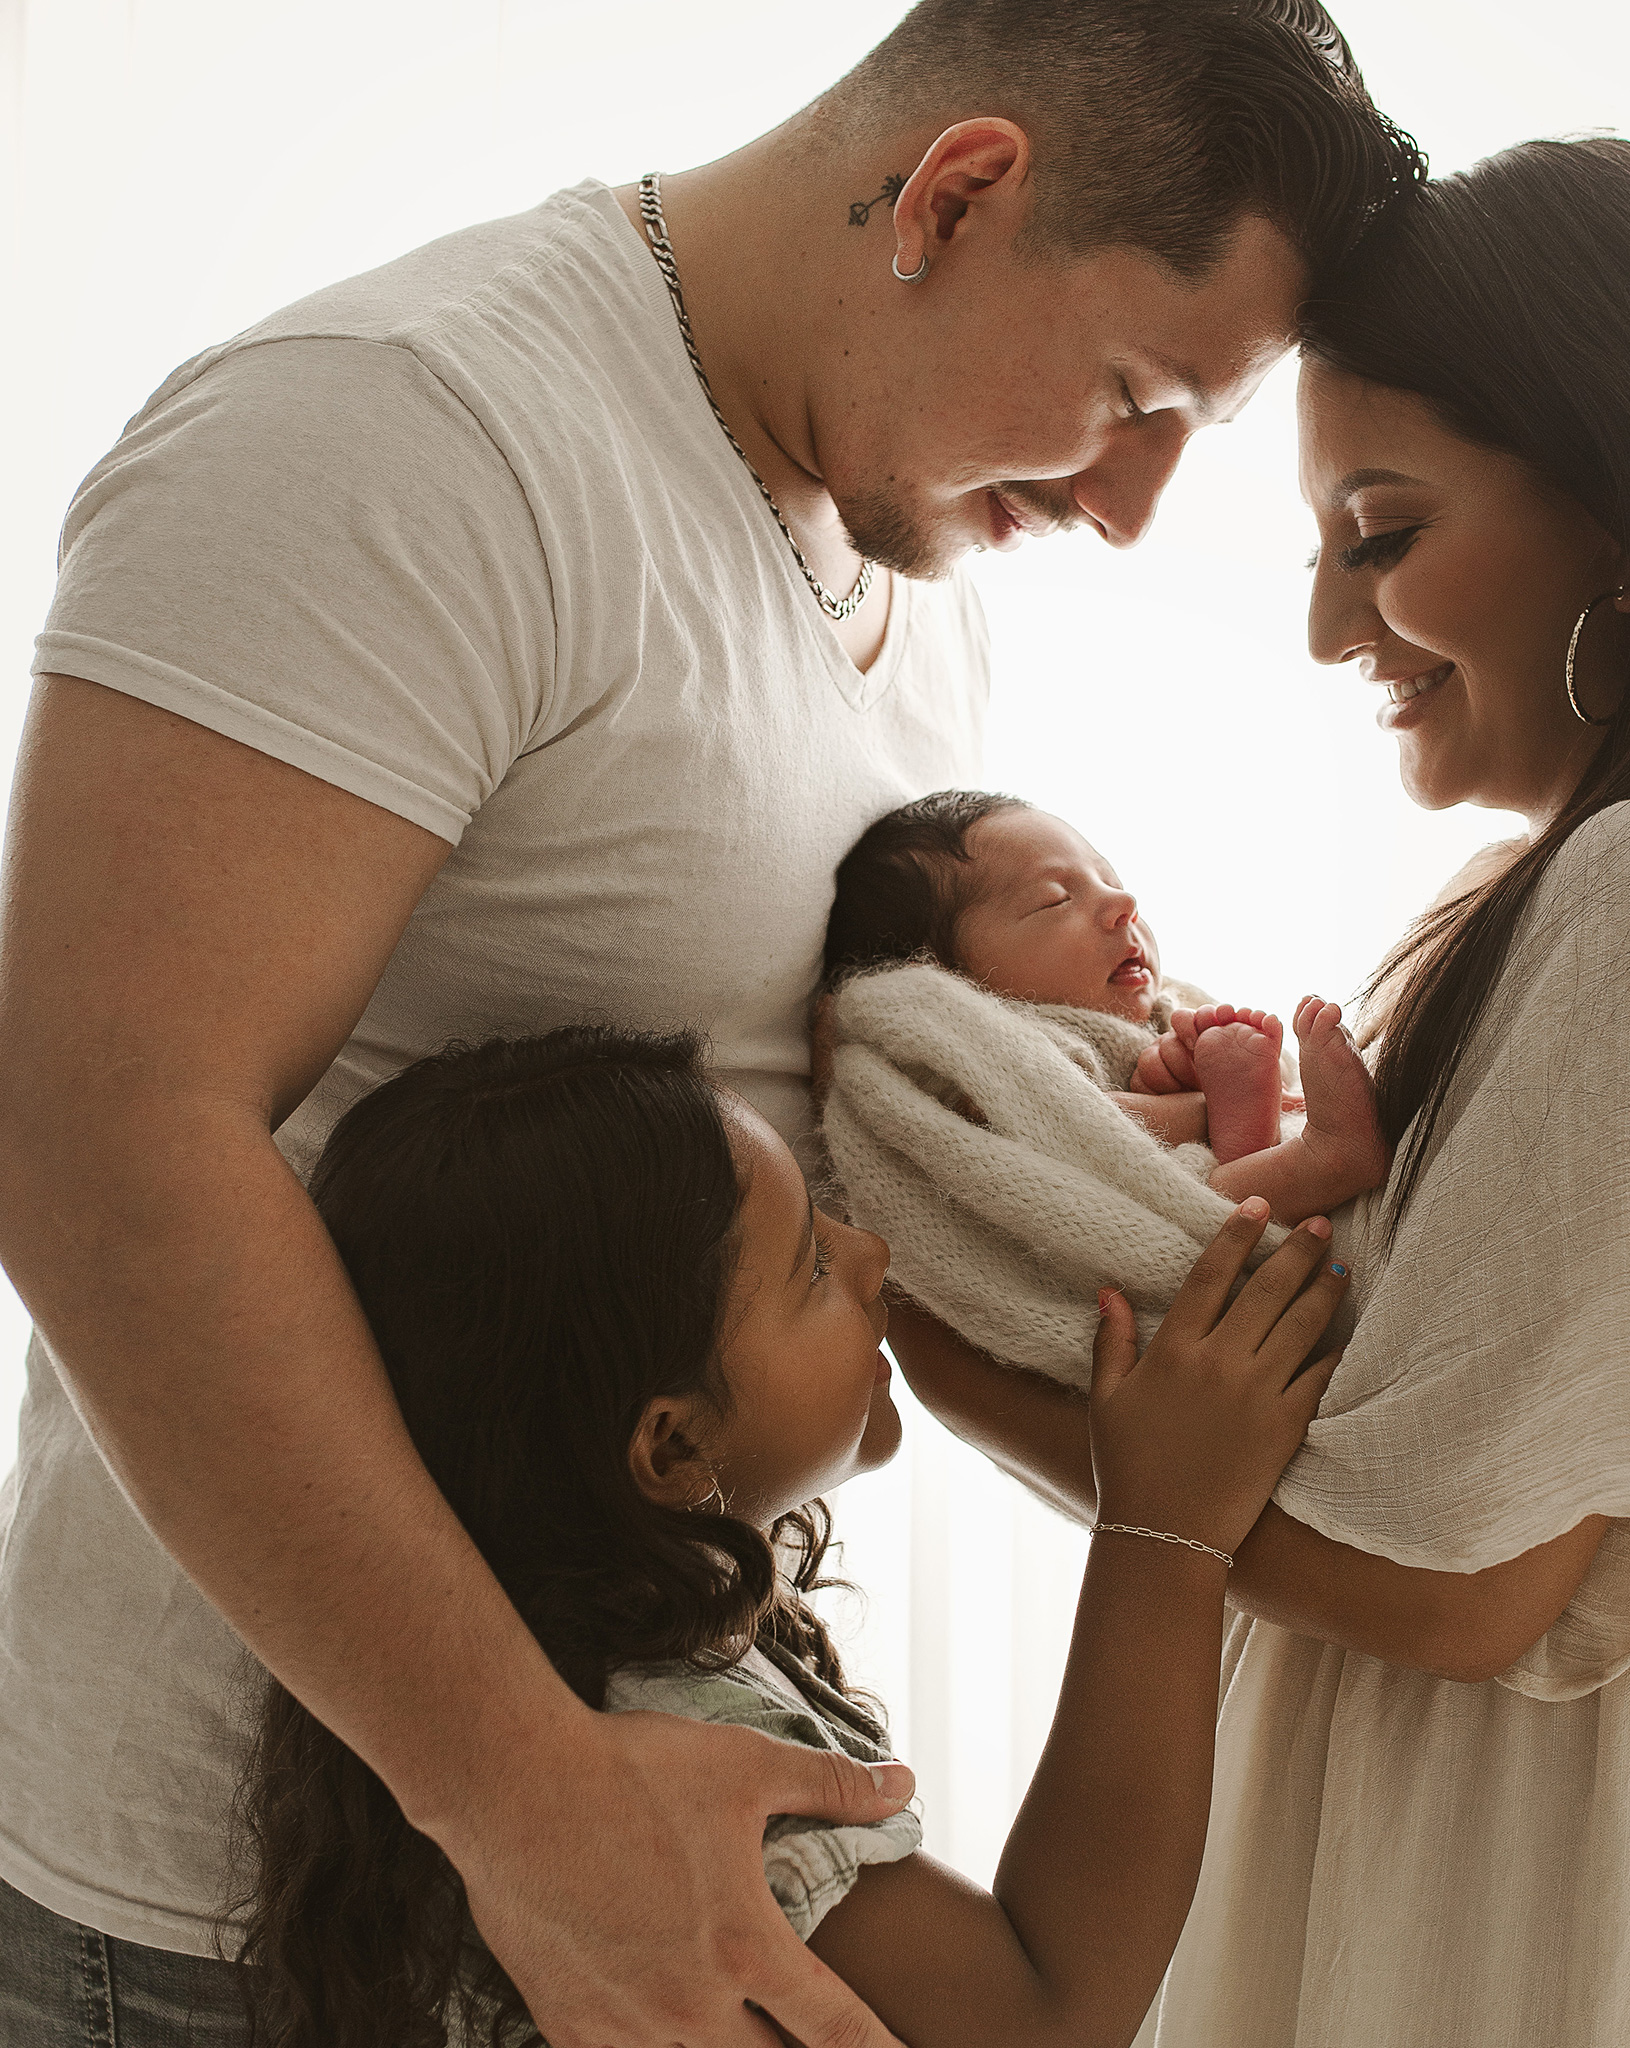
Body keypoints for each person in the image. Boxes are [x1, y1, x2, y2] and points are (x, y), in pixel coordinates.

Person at [0, 3, 1425, 2041]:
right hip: (238, 1928)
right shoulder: (402, 431)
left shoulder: (910, 590)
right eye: (1131, 392)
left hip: (629, 1859)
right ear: (955, 194)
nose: (1128, 503)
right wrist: (519, 1792)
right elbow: (90, 1138)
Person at [885, 138, 1630, 2045]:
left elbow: (1470, 1581)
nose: (1335, 631)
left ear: (1622, 509)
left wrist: (962, 1371)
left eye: (1383, 532)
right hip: (1561, 1851)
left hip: (1538, 1888)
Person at [234, 1022, 1344, 2048]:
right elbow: (1044, 2011)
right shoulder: (670, 1746)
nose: (871, 1253)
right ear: (669, 1447)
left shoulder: (553, 1658)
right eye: (811, 1264)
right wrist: (1165, 1529)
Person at [823, 789, 1389, 1219]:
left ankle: (1260, 1146)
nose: (1124, 902)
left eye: (1110, 879)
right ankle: (1329, 1158)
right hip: (1127, 1226)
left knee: (1216, 1175)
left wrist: (1173, 1070)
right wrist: (1208, 1105)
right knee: (1204, 1199)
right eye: (1056, 900)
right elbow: (1047, 1118)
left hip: (1207, 1177)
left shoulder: (1170, 1012)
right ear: (948, 981)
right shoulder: (988, 1039)